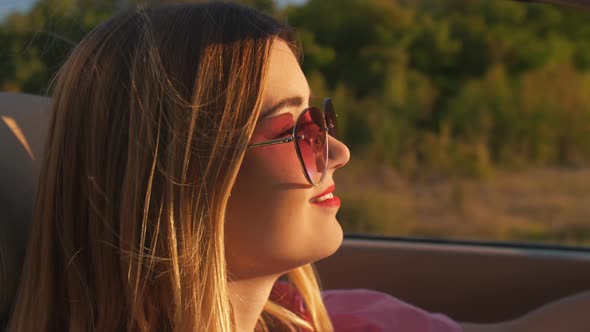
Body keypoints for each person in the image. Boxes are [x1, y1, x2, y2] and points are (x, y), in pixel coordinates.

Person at [6, 2, 590, 332]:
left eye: (320, 120)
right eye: (291, 130)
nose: (338, 152)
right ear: (176, 177)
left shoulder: (325, 320)